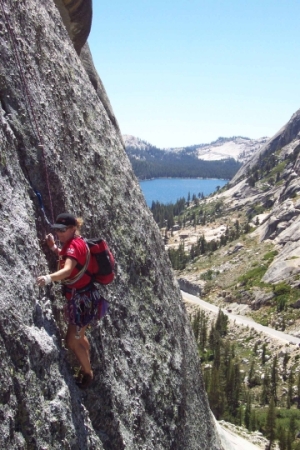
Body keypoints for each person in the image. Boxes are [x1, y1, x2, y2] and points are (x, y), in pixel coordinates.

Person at [37, 213, 107, 389]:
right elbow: (71, 260)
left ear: (73, 228)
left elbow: (68, 270)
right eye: (57, 230)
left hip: (81, 301)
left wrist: (47, 278)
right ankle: (87, 359)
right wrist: (54, 249)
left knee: (71, 341)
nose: (59, 233)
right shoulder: (77, 241)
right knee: (80, 336)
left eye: (63, 230)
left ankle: (87, 373)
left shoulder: (73, 246)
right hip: (87, 298)